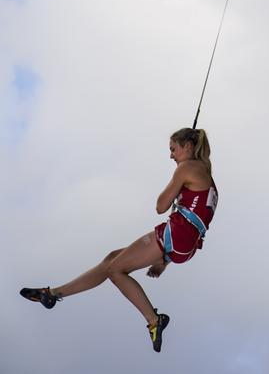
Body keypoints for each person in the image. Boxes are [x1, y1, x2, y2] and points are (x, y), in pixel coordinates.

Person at [20, 128, 218, 352]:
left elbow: (160, 206)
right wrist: (165, 259)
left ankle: (154, 321)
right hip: (184, 243)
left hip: (176, 234)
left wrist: (175, 182)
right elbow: (197, 216)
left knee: (116, 270)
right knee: (112, 259)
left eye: (173, 150)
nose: (171, 156)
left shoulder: (187, 168)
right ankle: (53, 294)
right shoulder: (208, 177)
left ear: (188, 147)